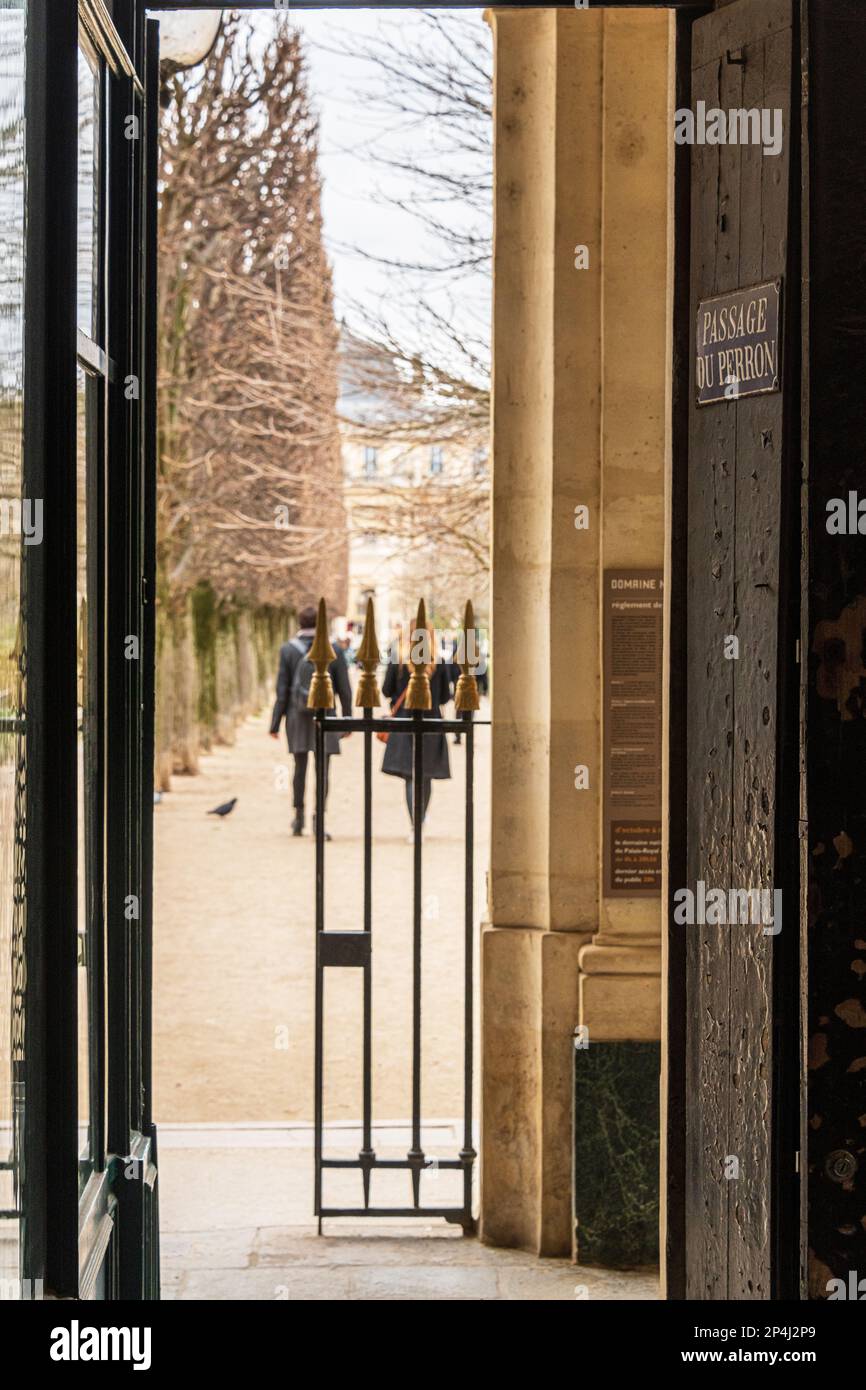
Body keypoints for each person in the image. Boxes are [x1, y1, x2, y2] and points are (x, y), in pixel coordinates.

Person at [269, 604, 351, 838]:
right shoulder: (333, 648)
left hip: (297, 715)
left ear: (299, 622)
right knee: (323, 771)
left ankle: (298, 817)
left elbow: (282, 689)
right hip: (325, 715)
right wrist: (346, 719)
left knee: (299, 768)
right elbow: (344, 688)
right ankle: (319, 819)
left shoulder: (288, 649)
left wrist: (275, 723)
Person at [381, 623, 453, 837]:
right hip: (432, 721)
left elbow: (386, 690)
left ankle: (415, 824)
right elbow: (444, 697)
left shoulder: (399, 660)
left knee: (411, 776)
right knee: (426, 775)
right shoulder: (438, 662)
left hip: (404, 720)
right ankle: (420, 820)